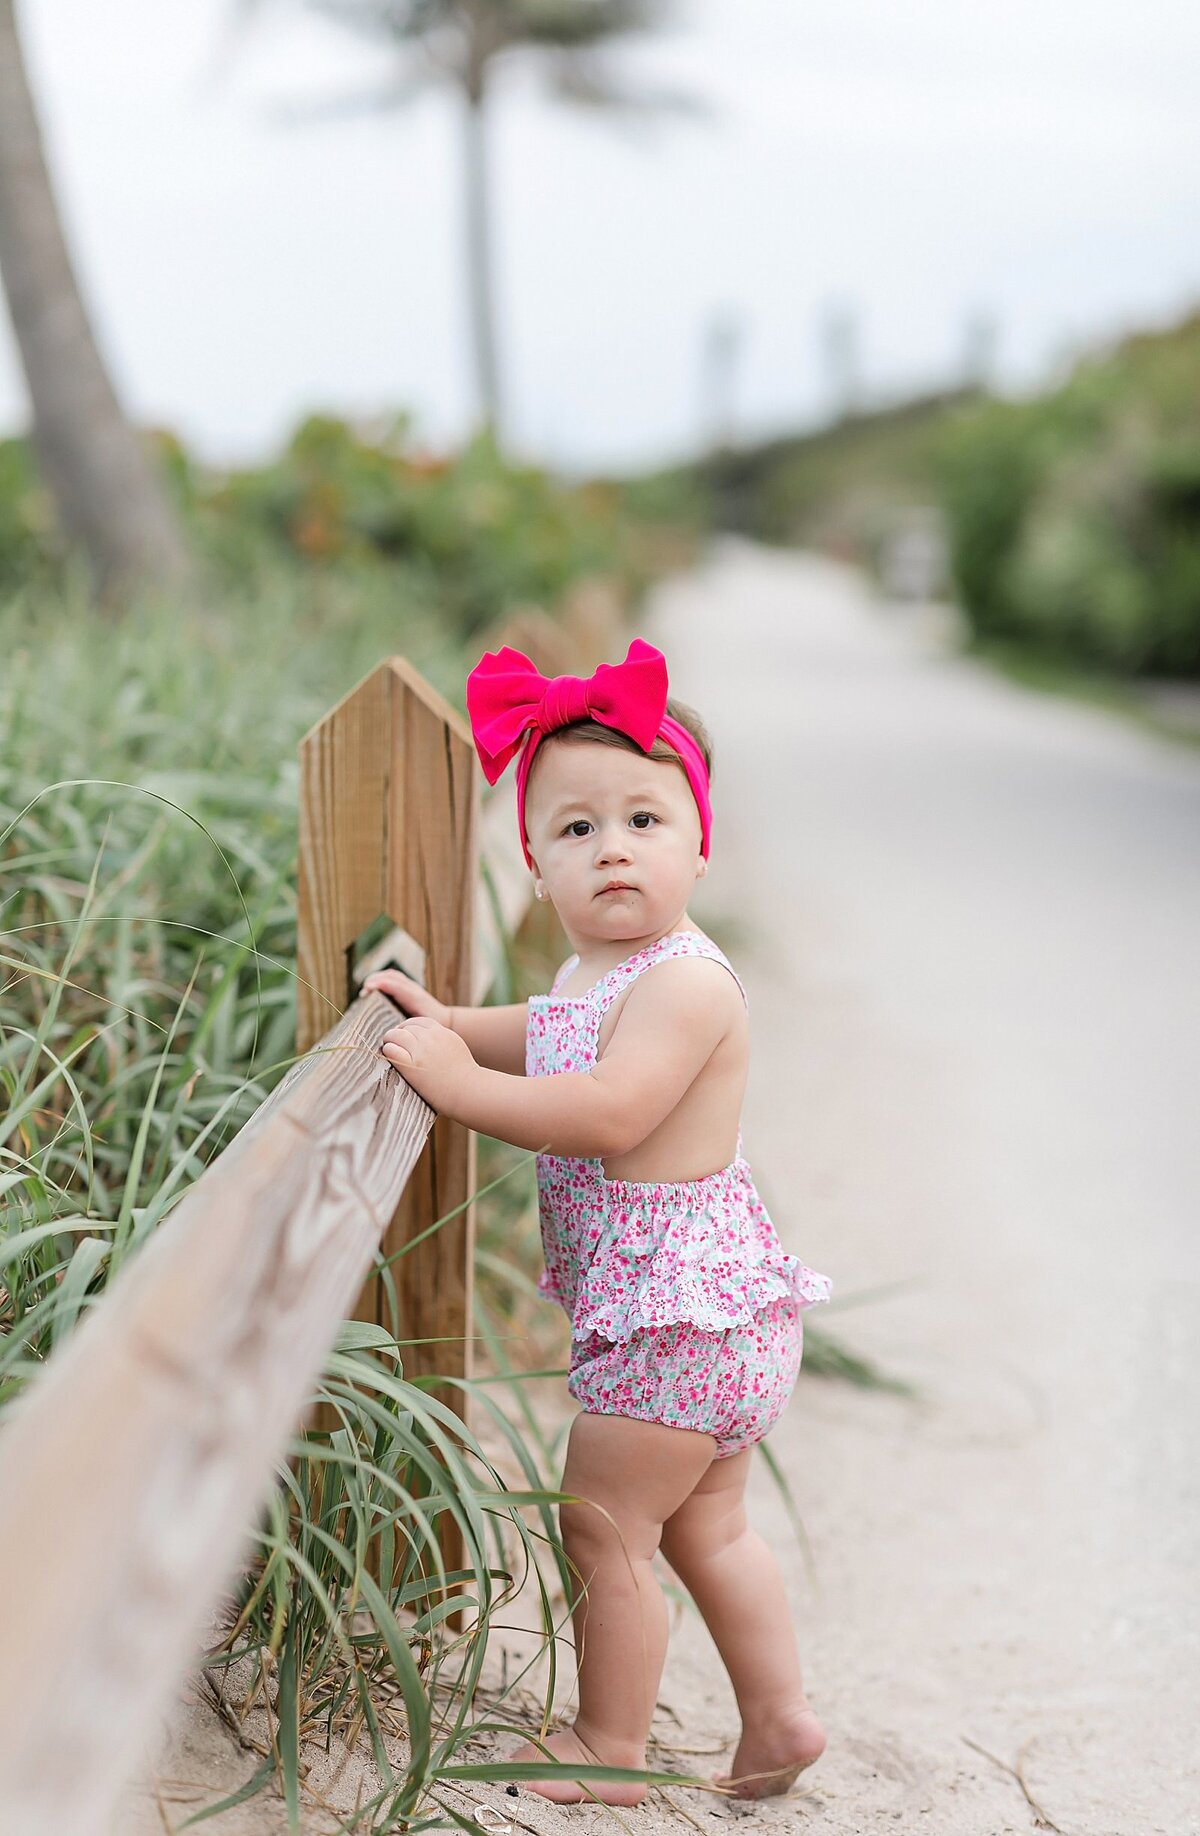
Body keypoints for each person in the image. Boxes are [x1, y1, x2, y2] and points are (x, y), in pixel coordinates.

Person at [360, 637, 832, 1804]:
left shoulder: (684, 981)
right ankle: (776, 1720)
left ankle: (609, 1748)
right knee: (704, 1530)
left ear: (701, 844)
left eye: (644, 821)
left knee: (604, 1527)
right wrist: (451, 1024)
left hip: (678, 1324)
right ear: (533, 865)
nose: (611, 846)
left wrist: (456, 1090)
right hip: (708, 1328)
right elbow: (547, 1032)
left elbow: (609, 1110)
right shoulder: (602, 976)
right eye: (576, 829)